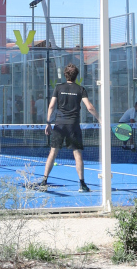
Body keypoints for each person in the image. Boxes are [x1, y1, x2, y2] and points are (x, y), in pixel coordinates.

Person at [37, 63, 100, 192]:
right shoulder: (80, 89)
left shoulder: (58, 88)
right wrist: (101, 120)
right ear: (76, 76)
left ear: (65, 75)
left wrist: (48, 123)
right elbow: (89, 107)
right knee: (77, 155)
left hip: (59, 125)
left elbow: (51, 106)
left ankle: (44, 181)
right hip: (73, 126)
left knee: (52, 153)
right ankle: (82, 184)